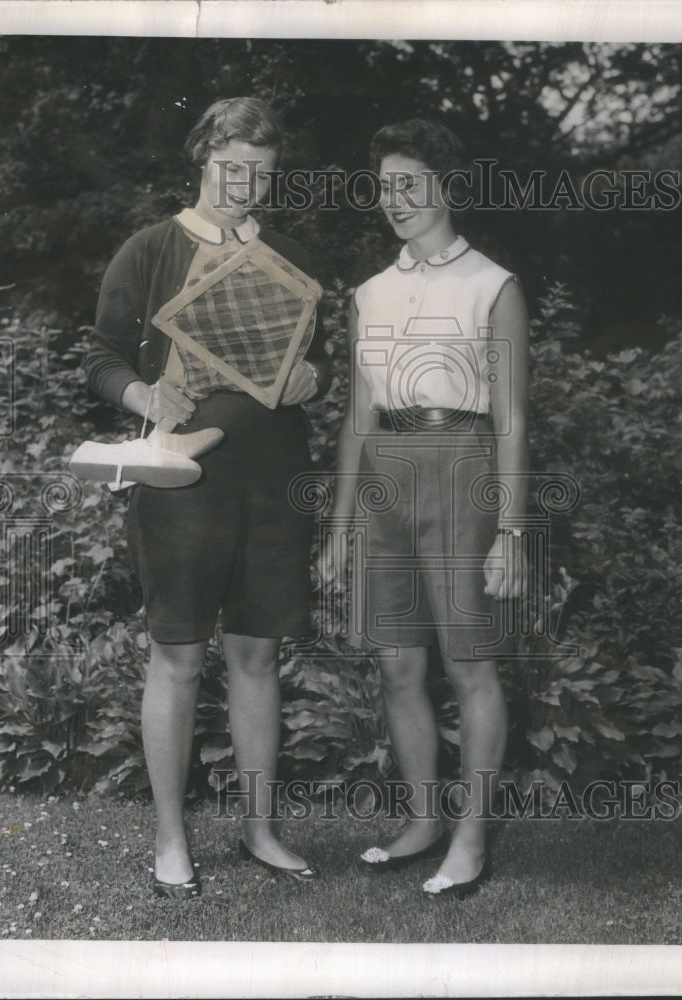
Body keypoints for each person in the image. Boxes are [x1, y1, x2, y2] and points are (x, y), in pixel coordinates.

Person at [85, 97, 331, 896]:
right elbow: (102, 357)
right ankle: (170, 838)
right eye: (230, 165)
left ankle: (260, 831)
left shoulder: (289, 257)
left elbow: (315, 364)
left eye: (259, 172)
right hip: (180, 481)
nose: (243, 183)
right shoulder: (151, 249)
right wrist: (142, 397)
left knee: (258, 656)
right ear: (201, 158)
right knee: (179, 657)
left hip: (271, 479)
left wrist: (311, 378)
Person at [323, 119, 528, 898]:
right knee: (396, 661)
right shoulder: (368, 294)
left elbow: (512, 419)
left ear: (446, 185)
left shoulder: (493, 285)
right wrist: (339, 524)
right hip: (385, 477)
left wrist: (508, 528)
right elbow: (356, 414)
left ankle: (470, 839)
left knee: (468, 662)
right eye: (383, 187)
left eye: (409, 183)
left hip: (462, 465)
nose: (394, 200)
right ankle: (421, 820)